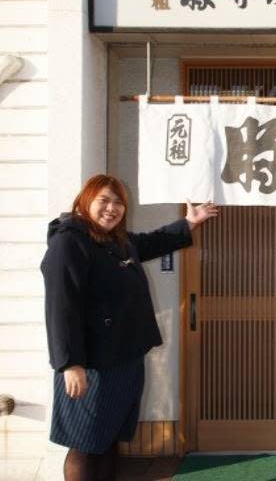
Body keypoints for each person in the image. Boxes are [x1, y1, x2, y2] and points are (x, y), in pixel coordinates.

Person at [42, 174, 218, 480]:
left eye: (119, 202)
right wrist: (70, 363)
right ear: (85, 203)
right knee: (85, 445)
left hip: (123, 359)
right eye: (104, 201)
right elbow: (60, 307)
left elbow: (151, 242)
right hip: (91, 365)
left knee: (109, 440)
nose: (112, 208)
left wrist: (189, 222)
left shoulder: (115, 241)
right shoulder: (69, 241)